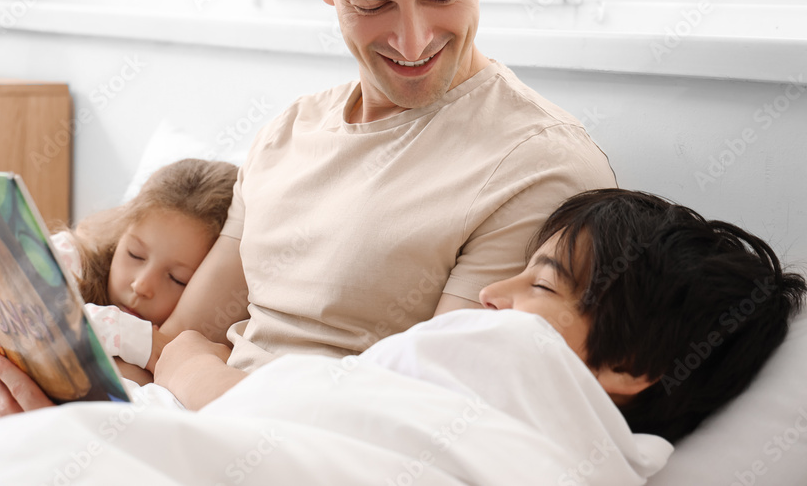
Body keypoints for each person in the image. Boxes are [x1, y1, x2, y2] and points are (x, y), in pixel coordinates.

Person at [0, 0, 617, 421]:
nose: (412, 39)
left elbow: (427, 417)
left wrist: (190, 374)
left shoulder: (538, 166)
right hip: (193, 430)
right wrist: (26, 382)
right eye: (370, 3)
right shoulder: (287, 135)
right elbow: (174, 347)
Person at [149, 189, 806, 446]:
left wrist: (191, 366)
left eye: (543, 283)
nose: (493, 292)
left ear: (632, 365)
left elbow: (301, 416)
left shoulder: (512, 365)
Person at [0, 158, 237, 423]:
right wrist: (139, 337)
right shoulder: (72, 256)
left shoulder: (190, 354)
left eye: (177, 279)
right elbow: (37, 308)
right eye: (135, 255)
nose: (142, 285)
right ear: (120, 234)